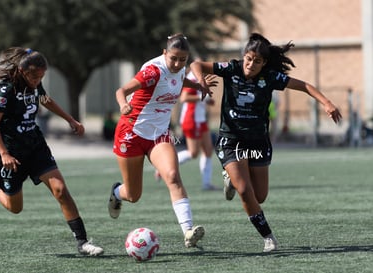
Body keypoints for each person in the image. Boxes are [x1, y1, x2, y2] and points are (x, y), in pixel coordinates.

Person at [190, 33, 342, 252]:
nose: (251, 65)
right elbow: (196, 64)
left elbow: (305, 85)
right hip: (231, 140)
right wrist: (201, 81)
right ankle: (268, 237)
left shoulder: (271, 77)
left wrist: (326, 103)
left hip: (258, 142)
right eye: (249, 59)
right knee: (244, 190)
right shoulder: (231, 68)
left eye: (258, 61)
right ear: (244, 55)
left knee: (259, 195)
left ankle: (231, 178)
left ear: (265, 63)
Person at [0, 47, 104, 256]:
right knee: (15, 207)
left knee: (61, 190)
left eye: (41, 76)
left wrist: (71, 120)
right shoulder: (7, 89)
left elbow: (45, 100)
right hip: (11, 154)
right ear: (22, 71)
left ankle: (82, 243)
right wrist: (4, 153)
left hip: (36, 147)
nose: (37, 80)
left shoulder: (35, 85)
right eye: (34, 76)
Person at [108, 33, 207, 248]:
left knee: (172, 175)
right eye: (174, 58)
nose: (178, 63)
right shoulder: (152, 72)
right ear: (165, 53)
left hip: (159, 134)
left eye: (183, 59)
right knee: (133, 195)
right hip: (131, 133)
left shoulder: (180, 69)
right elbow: (121, 90)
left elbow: (179, 83)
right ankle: (117, 192)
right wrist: (123, 104)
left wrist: (200, 86)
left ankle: (188, 231)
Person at [177, 69, 218, 191]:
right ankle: (163, 165)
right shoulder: (192, 78)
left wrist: (207, 100)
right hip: (191, 119)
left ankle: (206, 183)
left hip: (200, 120)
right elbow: (184, 98)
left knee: (208, 150)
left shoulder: (200, 79)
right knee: (193, 153)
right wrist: (203, 98)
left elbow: (200, 98)